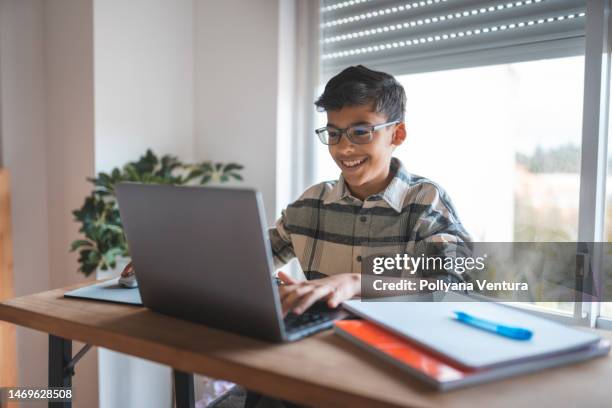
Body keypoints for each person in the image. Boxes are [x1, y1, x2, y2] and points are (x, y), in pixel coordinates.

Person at [121, 64, 472, 315]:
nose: (344, 148)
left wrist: (355, 282)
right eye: (333, 133)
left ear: (397, 134)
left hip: (394, 362)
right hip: (316, 353)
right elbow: (247, 258)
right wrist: (170, 262)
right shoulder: (310, 205)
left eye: (360, 131)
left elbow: (458, 279)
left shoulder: (426, 202)